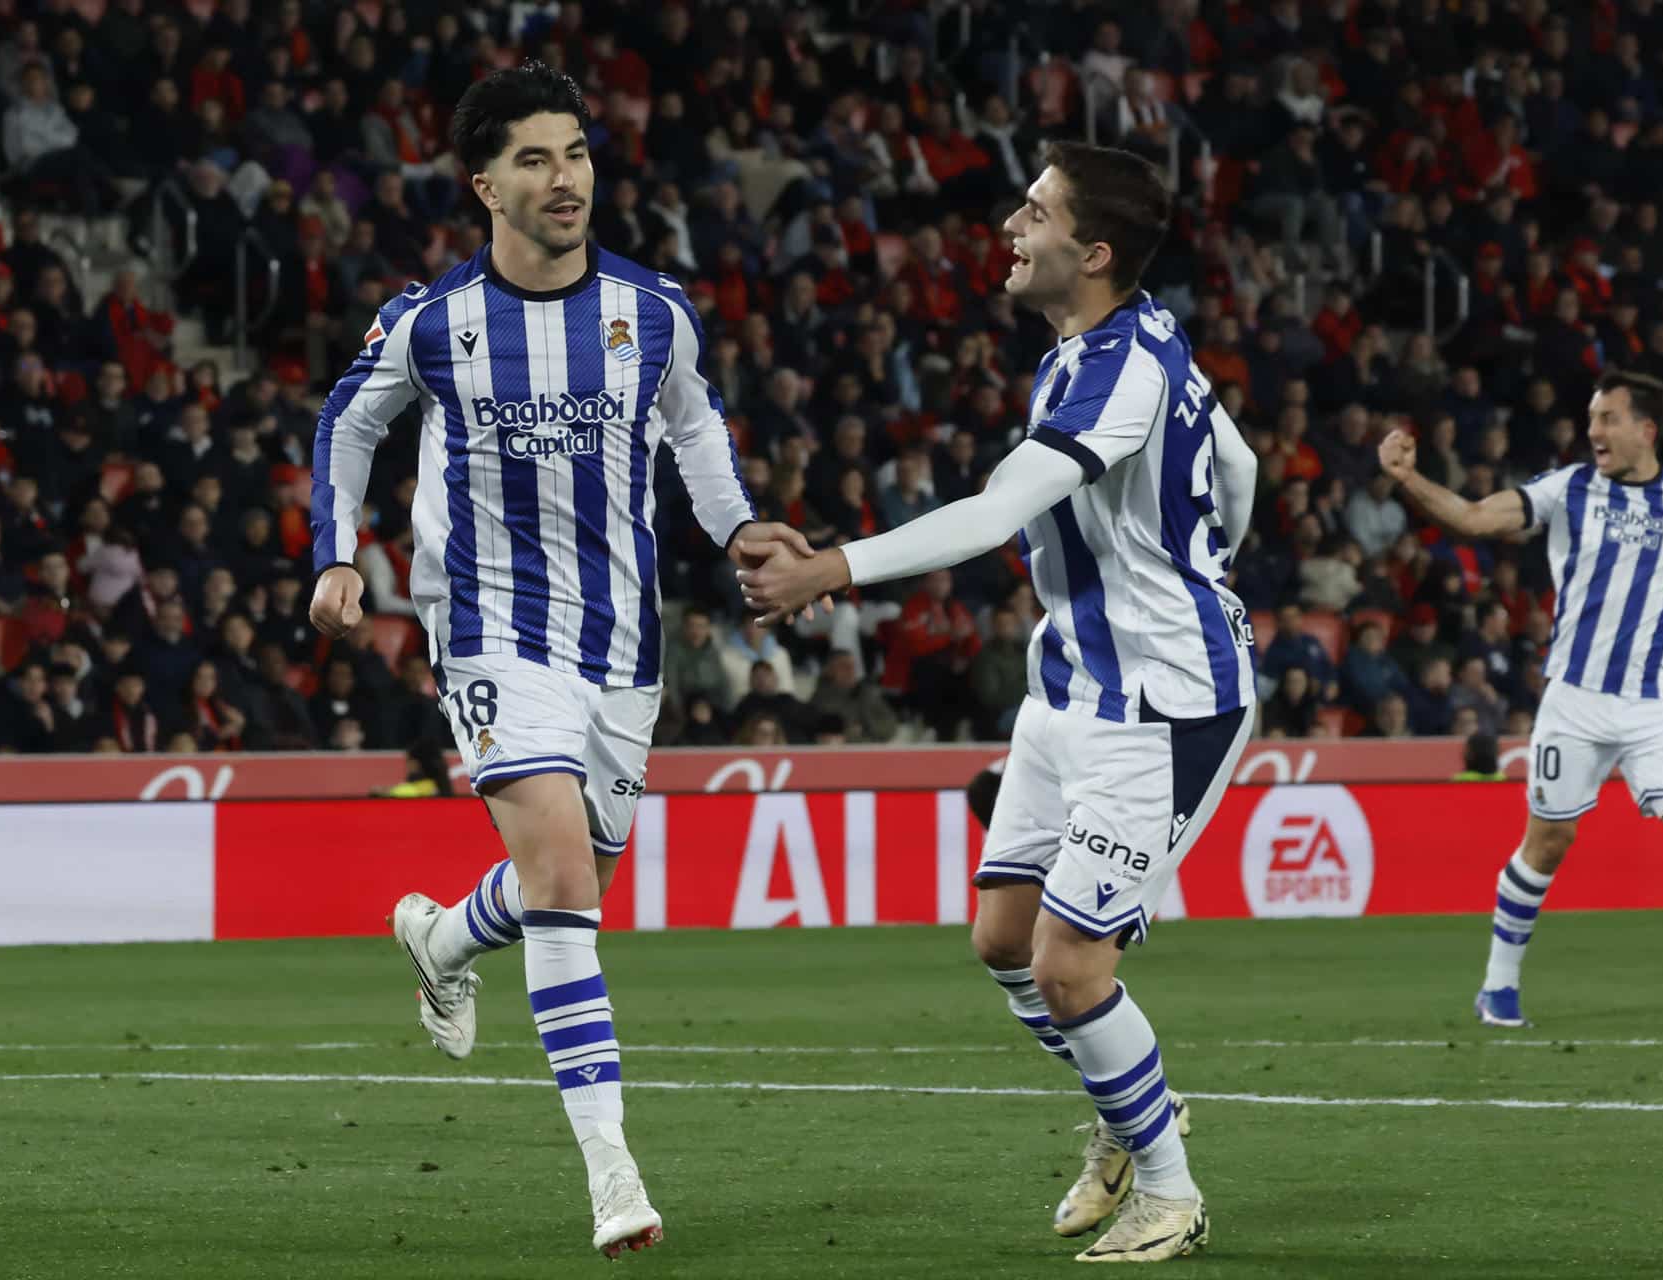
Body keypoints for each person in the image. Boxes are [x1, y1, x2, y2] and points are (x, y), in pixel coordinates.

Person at [303, 62, 813, 1260]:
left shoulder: (655, 311)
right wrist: (338, 550)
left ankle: (439, 940)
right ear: (485, 184)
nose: (565, 177)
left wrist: (737, 525)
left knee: (571, 878)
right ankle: (612, 1171)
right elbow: (349, 418)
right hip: (488, 624)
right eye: (534, 159)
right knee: (565, 887)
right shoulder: (434, 321)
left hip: (621, 641)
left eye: (575, 152)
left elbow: (694, 424)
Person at [740, 142, 1258, 1262]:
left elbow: (990, 514)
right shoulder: (1105, 344)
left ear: (1096, 251)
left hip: (1162, 702)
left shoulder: (1119, 369)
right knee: (1003, 938)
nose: (1011, 228)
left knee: (1075, 968)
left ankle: (1168, 1188)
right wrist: (1212, 557)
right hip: (1069, 682)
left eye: (1036, 213)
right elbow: (1241, 462)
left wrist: (832, 568)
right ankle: (1134, 1114)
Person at [1378, 368, 1663, 1030]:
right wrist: (1408, 479)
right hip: (1574, 701)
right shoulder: (1569, 489)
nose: (1593, 430)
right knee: (1548, 843)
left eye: (1607, 418)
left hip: (1655, 701)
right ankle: (1498, 989)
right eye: (1590, 418)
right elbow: (1472, 517)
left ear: (1646, 428)